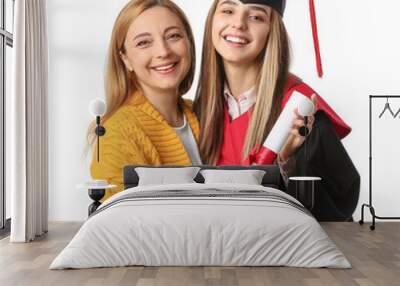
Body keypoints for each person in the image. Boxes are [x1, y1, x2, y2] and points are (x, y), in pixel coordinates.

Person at [194, 0, 360, 221]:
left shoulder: (300, 115)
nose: (238, 24)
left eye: (256, 17)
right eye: (228, 10)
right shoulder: (199, 110)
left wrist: (289, 161)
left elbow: (338, 204)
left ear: (273, 30)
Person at [89, 0, 201, 201]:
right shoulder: (116, 132)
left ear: (189, 43)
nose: (163, 52)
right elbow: (121, 221)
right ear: (125, 59)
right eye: (143, 42)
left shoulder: (204, 113)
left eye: (173, 36)